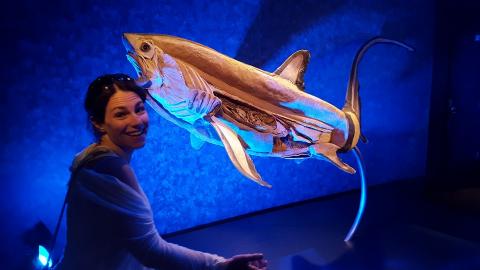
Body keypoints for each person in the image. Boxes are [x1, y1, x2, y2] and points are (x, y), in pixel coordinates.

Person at [54, 74, 268, 270]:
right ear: (98, 123)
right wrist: (220, 266)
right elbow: (152, 251)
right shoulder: (110, 169)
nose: (136, 121)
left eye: (139, 109)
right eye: (121, 114)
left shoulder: (89, 158)